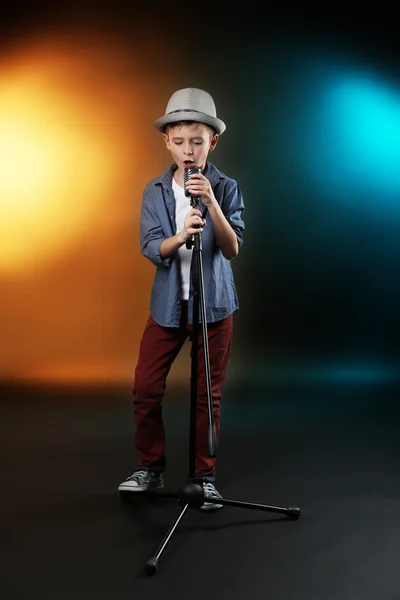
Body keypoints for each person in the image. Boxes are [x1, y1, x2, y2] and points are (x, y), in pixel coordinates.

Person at [118, 88, 245, 510]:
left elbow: (231, 248)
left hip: (214, 309)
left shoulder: (226, 187)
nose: (188, 150)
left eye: (197, 140)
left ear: (213, 142)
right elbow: (151, 248)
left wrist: (210, 203)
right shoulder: (154, 191)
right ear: (166, 142)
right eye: (179, 141)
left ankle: (204, 476)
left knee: (207, 395)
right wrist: (180, 235)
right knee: (146, 388)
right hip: (168, 307)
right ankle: (150, 468)